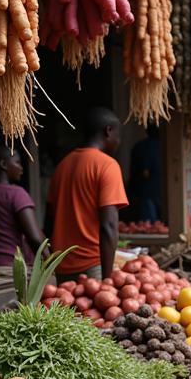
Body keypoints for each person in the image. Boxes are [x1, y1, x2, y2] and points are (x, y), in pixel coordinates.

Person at [46, 107, 129, 282]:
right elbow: (109, 226)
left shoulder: (62, 166)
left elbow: (49, 221)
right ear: (109, 131)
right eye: (118, 135)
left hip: (61, 266)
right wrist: (107, 280)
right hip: (92, 266)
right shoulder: (107, 165)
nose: (119, 141)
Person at [0, 142, 43, 268]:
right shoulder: (17, 193)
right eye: (17, 162)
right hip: (13, 267)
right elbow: (35, 237)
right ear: (3, 165)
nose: (21, 168)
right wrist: (50, 263)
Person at [127, 126, 162, 224]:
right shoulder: (162, 146)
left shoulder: (140, 146)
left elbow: (144, 172)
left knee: (150, 225)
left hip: (145, 191)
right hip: (156, 191)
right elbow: (145, 171)